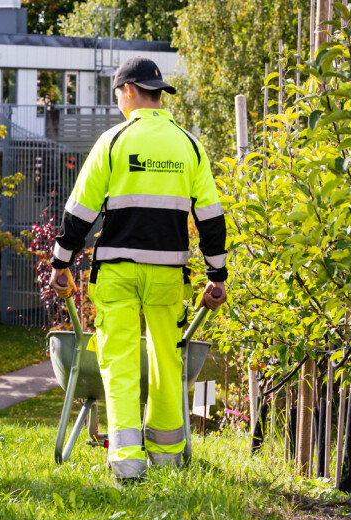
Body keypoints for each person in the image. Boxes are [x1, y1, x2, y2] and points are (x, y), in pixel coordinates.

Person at [49, 57, 227, 483]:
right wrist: (217, 275)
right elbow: (210, 216)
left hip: (118, 273)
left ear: (127, 90)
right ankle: (167, 458)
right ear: (157, 92)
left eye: (116, 95)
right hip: (169, 275)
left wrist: (60, 262)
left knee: (121, 363)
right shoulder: (189, 145)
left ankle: (127, 462)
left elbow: (80, 211)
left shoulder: (113, 141)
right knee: (167, 360)